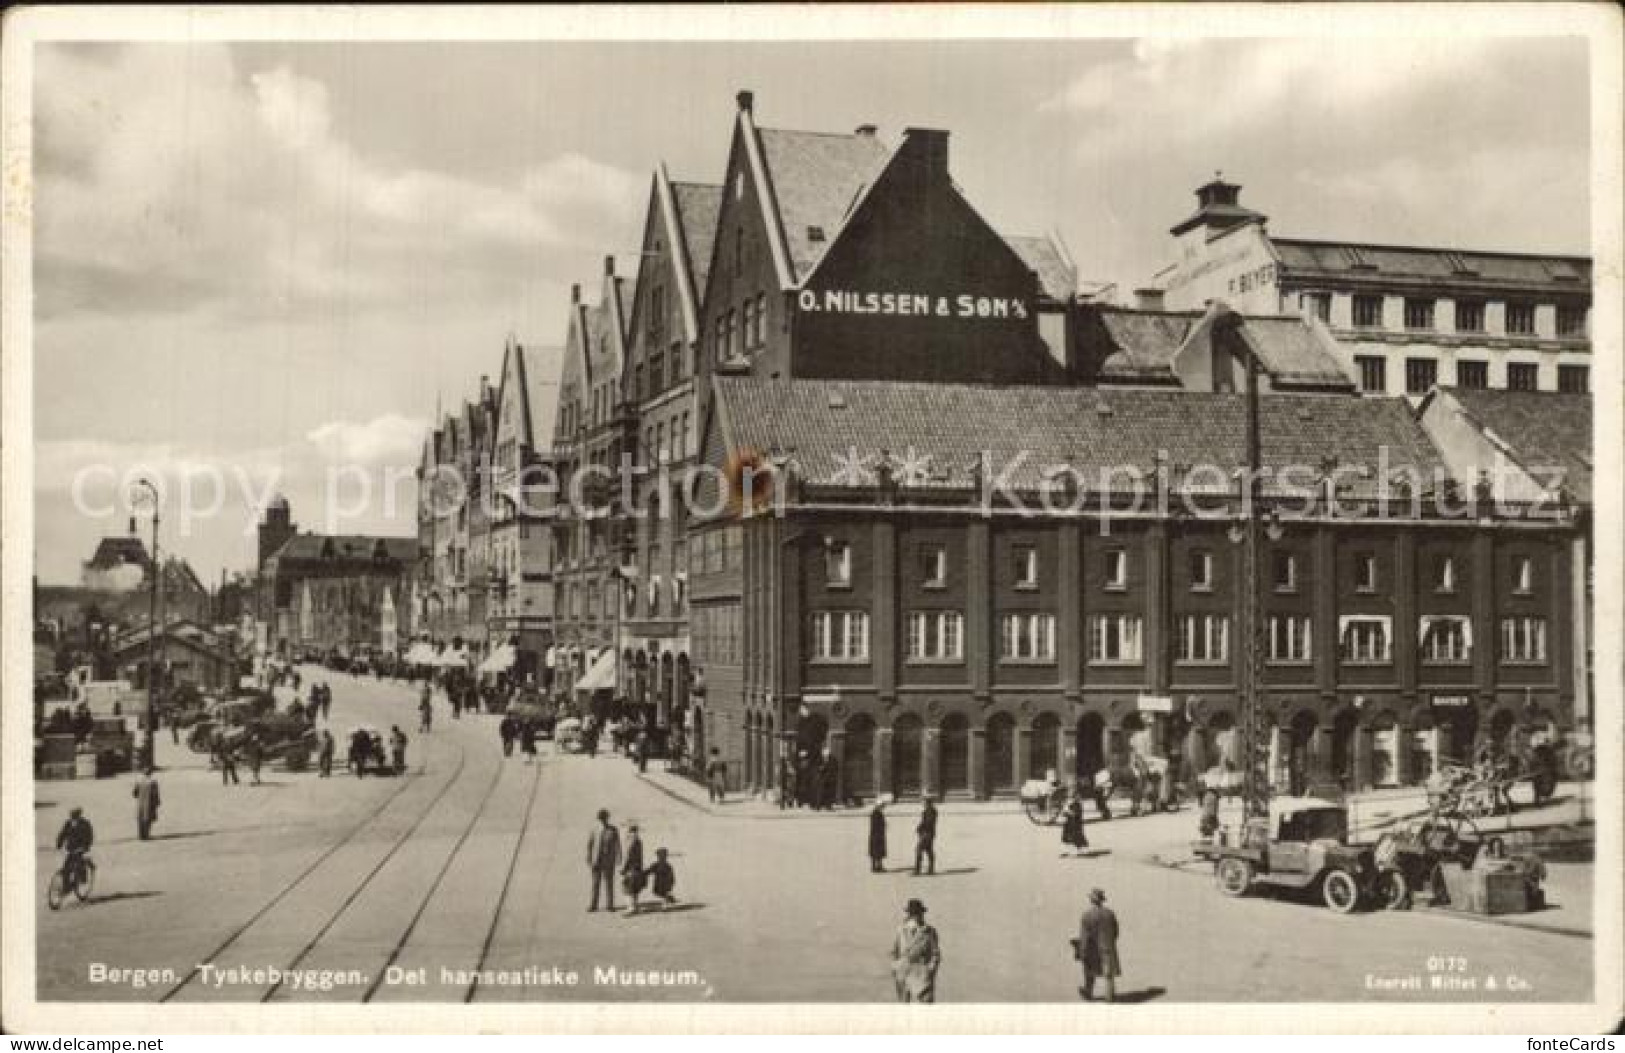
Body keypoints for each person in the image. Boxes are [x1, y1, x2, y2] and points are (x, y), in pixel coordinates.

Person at [890, 899, 941, 1003]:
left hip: (921, 974)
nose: (915, 916)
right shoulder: (901, 930)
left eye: (918, 913)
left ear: (922, 913)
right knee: (903, 1009)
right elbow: (894, 951)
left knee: (925, 1006)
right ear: (909, 914)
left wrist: (930, 970)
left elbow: (936, 954)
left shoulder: (929, 931)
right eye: (913, 913)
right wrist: (895, 965)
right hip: (903, 973)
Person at [1077, 888, 1121, 1003]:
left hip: (1093, 948)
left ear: (1091, 900)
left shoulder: (1087, 915)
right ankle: (1109, 997)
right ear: (1102, 900)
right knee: (1108, 974)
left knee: (1090, 971)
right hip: (1107, 946)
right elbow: (1116, 932)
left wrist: (1082, 951)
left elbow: (1084, 936)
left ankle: (1088, 993)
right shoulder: (1110, 913)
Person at [587, 809, 622, 912]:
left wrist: (619, 857)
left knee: (609, 883)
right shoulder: (594, 829)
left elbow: (617, 845)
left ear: (607, 818)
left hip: (608, 860)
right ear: (598, 819)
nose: (602, 820)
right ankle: (593, 905)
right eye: (601, 818)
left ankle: (610, 905)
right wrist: (589, 857)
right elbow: (590, 844)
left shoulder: (613, 830)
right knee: (595, 883)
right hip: (596, 860)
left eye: (604, 818)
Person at [55, 807, 94, 890]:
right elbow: (62, 834)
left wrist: (85, 847)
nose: (73, 818)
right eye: (72, 816)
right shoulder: (68, 823)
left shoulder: (85, 824)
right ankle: (66, 886)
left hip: (81, 847)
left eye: (75, 816)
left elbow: (89, 837)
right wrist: (59, 844)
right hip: (71, 848)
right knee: (66, 867)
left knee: (79, 863)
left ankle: (83, 878)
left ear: (79, 815)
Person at [622, 824, 647, 915]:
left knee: (628, 887)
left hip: (631, 868)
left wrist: (624, 868)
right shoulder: (638, 840)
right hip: (638, 867)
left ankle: (631, 908)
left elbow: (628, 855)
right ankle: (635, 907)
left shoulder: (631, 840)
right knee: (635, 887)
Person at [132, 767, 161, 841]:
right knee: (148, 819)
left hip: (140, 803)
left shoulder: (139, 781)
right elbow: (155, 794)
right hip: (149, 803)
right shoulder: (153, 782)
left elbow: (134, 793)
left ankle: (141, 835)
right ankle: (146, 835)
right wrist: (157, 802)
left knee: (140, 819)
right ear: (150, 773)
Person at [914, 797, 938, 875]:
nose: (922, 804)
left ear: (928, 803)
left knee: (918, 849)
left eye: (923, 802)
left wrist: (920, 828)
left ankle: (917, 870)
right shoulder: (929, 811)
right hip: (929, 833)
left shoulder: (930, 811)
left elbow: (928, 823)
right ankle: (931, 869)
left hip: (927, 833)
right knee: (929, 850)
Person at [1061, 790, 1089, 856]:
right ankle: (1072, 850)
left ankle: (1079, 850)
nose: (1071, 799)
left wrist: (1068, 811)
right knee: (1068, 837)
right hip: (1069, 823)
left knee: (1076, 836)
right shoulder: (1069, 804)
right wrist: (1065, 811)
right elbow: (1064, 814)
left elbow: (1076, 814)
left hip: (1075, 824)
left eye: (1072, 798)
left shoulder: (1077, 805)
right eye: (1070, 798)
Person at [869, 800, 888, 873]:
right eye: (882, 806)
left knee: (875, 851)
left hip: (874, 834)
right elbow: (877, 824)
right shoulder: (877, 814)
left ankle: (875, 867)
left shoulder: (875, 813)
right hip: (878, 835)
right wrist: (883, 826)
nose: (883, 807)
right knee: (878, 851)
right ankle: (878, 866)